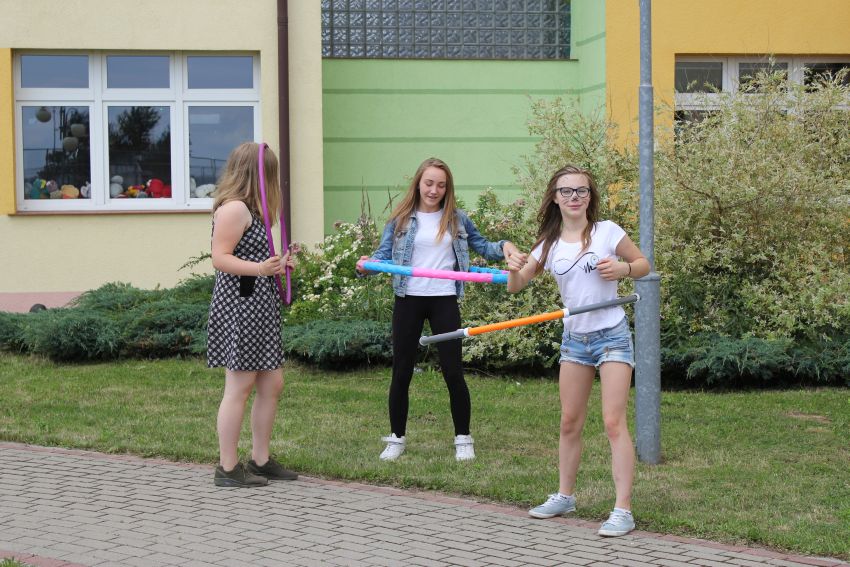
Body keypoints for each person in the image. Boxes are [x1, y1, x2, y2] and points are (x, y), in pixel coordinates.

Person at [504, 165, 649, 537]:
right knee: (569, 421)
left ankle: (623, 510)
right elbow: (516, 286)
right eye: (566, 191)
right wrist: (513, 267)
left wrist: (623, 269)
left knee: (613, 422)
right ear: (555, 197)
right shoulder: (548, 244)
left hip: (612, 334)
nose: (574, 197)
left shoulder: (607, 231)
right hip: (576, 340)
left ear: (590, 196)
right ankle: (565, 496)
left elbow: (643, 264)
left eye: (581, 191)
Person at [357, 157, 520, 462]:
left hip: (443, 298)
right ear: (418, 184)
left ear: (447, 188)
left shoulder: (456, 219)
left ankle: (463, 438)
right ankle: (396, 438)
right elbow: (381, 257)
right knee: (401, 371)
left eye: (441, 185)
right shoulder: (400, 220)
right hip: (408, 298)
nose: (434, 190)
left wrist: (506, 247)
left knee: (453, 371)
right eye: (429, 183)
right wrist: (367, 266)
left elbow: (484, 247)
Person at [207, 141, 299, 488]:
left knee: (272, 383)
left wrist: (277, 265)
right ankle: (228, 467)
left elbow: (251, 257)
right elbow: (220, 257)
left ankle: (260, 460)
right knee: (239, 386)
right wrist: (260, 269)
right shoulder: (234, 209)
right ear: (258, 174)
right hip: (241, 309)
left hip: (258, 307)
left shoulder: (253, 211)